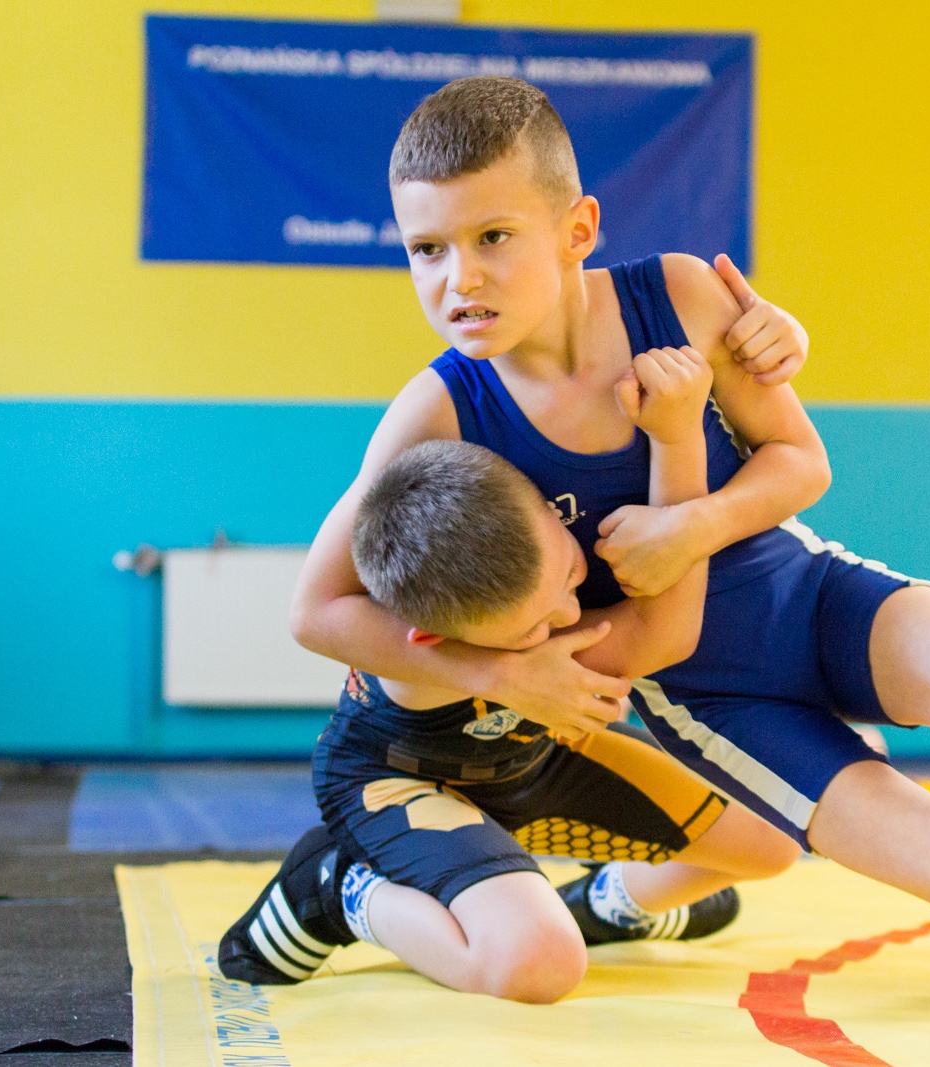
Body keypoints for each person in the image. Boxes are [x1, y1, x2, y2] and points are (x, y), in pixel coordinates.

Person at [289, 77, 930, 1042]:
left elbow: (802, 461)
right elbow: (317, 607)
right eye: (426, 249)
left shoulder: (678, 296)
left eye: (492, 238)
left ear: (578, 231)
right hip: (712, 696)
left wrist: (691, 523)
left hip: (806, 593)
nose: (457, 279)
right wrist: (500, 672)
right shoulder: (437, 413)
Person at [222, 348, 806, 1002]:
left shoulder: (504, 535)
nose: (567, 616)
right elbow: (310, 614)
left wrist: (677, 439)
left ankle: (610, 903)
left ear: (554, 512)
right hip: (400, 782)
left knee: (780, 832)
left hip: (538, 760)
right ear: (434, 641)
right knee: (538, 963)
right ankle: (339, 886)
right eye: (531, 630)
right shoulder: (420, 633)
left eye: (571, 577)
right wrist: (679, 439)